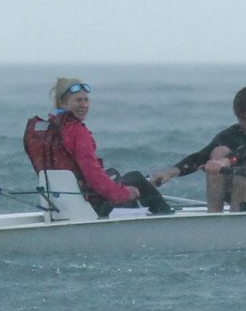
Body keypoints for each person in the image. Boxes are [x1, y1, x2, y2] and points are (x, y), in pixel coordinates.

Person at [23, 77, 173, 216]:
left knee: (114, 175)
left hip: (61, 207)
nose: (84, 105)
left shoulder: (49, 131)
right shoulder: (76, 132)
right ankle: (166, 221)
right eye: (78, 100)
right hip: (92, 207)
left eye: (86, 100)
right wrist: (125, 193)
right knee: (136, 178)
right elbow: (94, 177)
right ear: (62, 103)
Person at [151, 85, 246, 212]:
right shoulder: (235, 132)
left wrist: (227, 161)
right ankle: (215, 217)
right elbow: (202, 155)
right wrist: (171, 172)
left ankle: (235, 219)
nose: (242, 124)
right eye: (239, 118)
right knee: (217, 152)